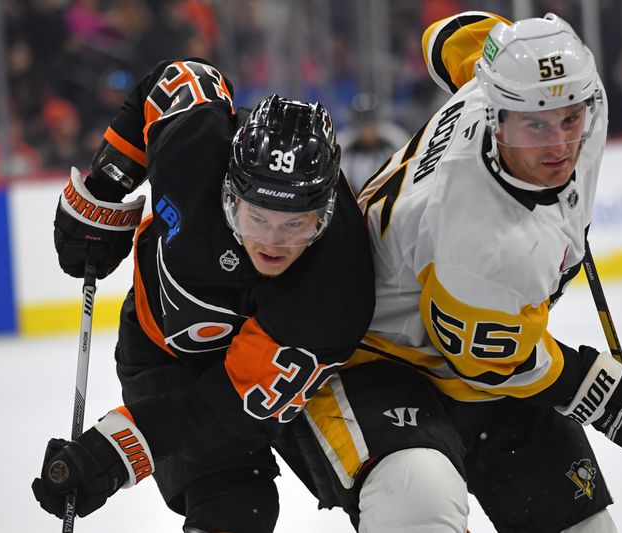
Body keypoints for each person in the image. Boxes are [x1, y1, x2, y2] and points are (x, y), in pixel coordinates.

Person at [298, 12, 622, 533]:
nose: (560, 146)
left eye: (570, 119)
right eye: (536, 126)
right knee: (417, 503)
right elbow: (490, 363)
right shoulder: (479, 238)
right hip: (376, 359)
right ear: (496, 118)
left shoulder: (523, 88)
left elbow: (446, 35)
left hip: (476, 344)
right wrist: (605, 392)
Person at [31, 57, 375, 532]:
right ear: (230, 192)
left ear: (326, 212)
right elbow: (170, 79)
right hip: (161, 350)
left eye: (296, 224)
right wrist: (106, 186)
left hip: (283, 374)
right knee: (234, 507)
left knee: (386, 485)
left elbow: (220, 410)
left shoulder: (335, 291)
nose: (273, 242)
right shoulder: (196, 147)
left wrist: (111, 451)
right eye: (258, 218)